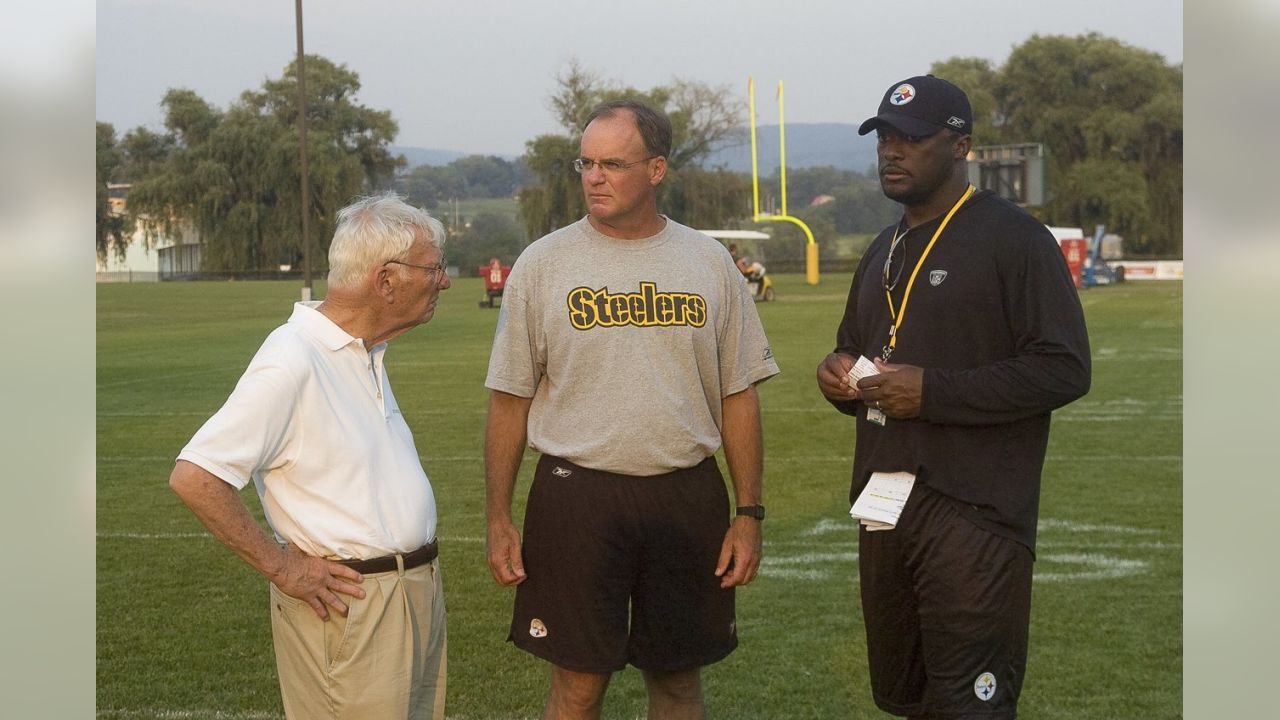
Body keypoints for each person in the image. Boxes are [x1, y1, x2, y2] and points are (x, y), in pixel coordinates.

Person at [484, 99, 779, 720]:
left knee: (676, 683)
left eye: (613, 163)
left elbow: (739, 395)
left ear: (656, 169)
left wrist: (748, 513)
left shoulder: (707, 262)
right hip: (576, 495)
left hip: (685, 495)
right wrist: (498, 518)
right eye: (585, 163)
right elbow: (509, 400)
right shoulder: (544, 263)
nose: (594, 177)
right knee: (579, 686)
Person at [815, 75, 1090, 719]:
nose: (892, 150)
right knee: (908, 700)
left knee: (971, 706)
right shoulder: (881, 247)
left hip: (974, 511)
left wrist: (932, 392)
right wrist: (838, 377)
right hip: (885, 503)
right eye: (883, 136)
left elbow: (1064, 369)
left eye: (910, 137)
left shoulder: (1014, 238)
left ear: (960, 144)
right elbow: (855, 349)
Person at [169, 193, 452, 720]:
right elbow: (195, 475)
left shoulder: (363, 352)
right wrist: (283, 568)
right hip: (352, 608)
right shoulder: (293, 358)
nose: (445, 281)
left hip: (411, 594)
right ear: (386, 280)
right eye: (433, 268)